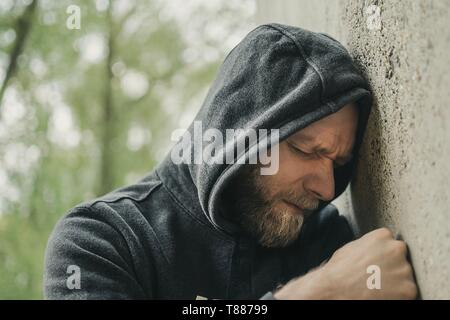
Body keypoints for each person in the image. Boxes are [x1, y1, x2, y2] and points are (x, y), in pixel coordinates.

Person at [44, 23, 417, 299]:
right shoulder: (100, 241)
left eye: (338, 163)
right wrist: (323, 292)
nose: (326, 187)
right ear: (240, 134)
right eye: (307, 150)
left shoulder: (327, 242)